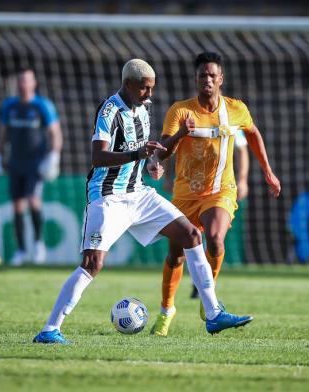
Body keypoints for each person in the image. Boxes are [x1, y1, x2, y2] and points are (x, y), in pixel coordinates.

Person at [33, 58, 253, 344]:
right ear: (128, 84)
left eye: (152, 89)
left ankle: (213, 315)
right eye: (144, 89)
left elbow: (144, 153)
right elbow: (98, 157)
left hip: (138, 192)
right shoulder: (109, 110)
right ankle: (50, 329)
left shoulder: (144, 108)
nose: (149, 95)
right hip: (108, 197)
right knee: (92, 263)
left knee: (190, 234)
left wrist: (151, 164)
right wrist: (138, 155)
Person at [150, 52, 281, 337]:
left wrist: (268, 172)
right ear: (195, 80)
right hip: (185, 194)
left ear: (221, 79)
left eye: (212, 75)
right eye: (202, 76)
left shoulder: (236, 109)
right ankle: (166, 309)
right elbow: (164, 148)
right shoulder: (180, 111)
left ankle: (208, 297)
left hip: (220, 191)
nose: (207, 80)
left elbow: (254, 135)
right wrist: (173, 143)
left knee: (216, 239)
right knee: (176, 255)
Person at [0, 69, 62, 265]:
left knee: (33, 200)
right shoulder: (10, 106)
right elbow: (2, 132)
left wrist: (53, 156)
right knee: (17, 205)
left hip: (35, 164)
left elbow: (55, 133)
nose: (23, 84)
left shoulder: (42, 106)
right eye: (20, 81)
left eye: (26, 81)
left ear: (33, 83)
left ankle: (39, 245)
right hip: (15, 163)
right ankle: (21, 250)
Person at [190, 129, 250, 299]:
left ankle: (206, 282)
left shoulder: (230, 119)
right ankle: (198, 281)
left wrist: (243, 179)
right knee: (191, 237)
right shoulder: (190, 116)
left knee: (214, 236)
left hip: (219, 190)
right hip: (190, 187)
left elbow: (242, 150)